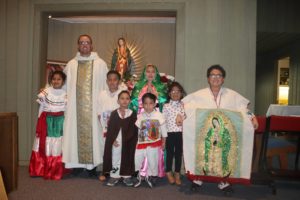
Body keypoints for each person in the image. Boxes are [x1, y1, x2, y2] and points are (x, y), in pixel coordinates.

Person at [182, 64, 258, 192]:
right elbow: (187, 108)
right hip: (205, 136)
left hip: (224, 135)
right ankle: (199, 177)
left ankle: (223, 180)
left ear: (223, 79)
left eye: (219, 75)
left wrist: (252, 118)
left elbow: (243, 109)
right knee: (204, 156)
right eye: (212, 75)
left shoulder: (232, 95)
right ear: (208, 78)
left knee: (223, 157)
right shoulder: (199, 95)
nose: (215, 78)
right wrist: (180, 116)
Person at [62, 34, 108, 176]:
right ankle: (76, 165)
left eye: (87, 42)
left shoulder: (100, 64)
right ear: (78, 45)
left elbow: (106, 85)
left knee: (94, 134)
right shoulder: (71, 64)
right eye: (82, 42)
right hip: (75, 109)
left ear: (91, 45)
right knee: (73, 134)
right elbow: (63, 86)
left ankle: (92, 166)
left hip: (94, 108)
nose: (84, 45)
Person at [29, 71, 67, 180]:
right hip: (47, 120)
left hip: (59, 121)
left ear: (63, 81)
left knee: (57, 144)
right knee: (44, 143)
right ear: (51, 80)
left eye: (59, 79)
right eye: (54, 79)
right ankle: (41, 169)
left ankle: (55, 169)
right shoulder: (46, 92)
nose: (56, 81)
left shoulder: (65, 94)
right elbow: (41, 107)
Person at [102, 90, 138, 187]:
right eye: (122, 98)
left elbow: (134, 130)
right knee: (115, 158)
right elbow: (110, 129)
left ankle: (126, 176)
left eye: (127, 98)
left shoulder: (133, 114)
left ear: (130, 101)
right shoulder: (114, 114)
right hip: (116, 142)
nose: (124, 101)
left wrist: (131, 141)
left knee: (127, 158)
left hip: (128, 142)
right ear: (118, 101)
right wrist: (112, 140)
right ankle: (114, 176)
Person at [134, 93, 168, 188]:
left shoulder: (159, 115)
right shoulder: (141, 115)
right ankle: (137, 174)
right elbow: (138, 129)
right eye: (145, 103)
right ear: (142, 104)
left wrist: (163, 142)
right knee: (137, 158)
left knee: (153, 160)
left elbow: (164, 130)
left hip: (153, 143)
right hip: (141, 142)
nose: (148, 106)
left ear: (154, 104)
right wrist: (137, 142)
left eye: (150, 103)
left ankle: (153, 176)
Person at [97, 70, 125, 181]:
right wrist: (104, 127)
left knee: (119, 149)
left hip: (120, 127)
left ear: (119, 81)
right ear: (107, 81)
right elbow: (99, 112)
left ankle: (120, 171)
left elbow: (126, 108)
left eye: (115, 79)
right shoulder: (102, 94)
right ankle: (106, 171)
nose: (112, 82)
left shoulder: (123, 92)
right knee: (107, 150)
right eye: (110, 80)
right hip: (106, 126)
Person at [162, 81, 186, 185]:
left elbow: (187, 116)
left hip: (180, 133)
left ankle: (177, 173)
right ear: (169, 93)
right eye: (173, 91)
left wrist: (182, 117)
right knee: (170, 154)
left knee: (178, 154)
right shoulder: (166, 106)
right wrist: (163, 137)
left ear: (181, 93)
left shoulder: (184, 105)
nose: (175, 93)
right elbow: (163, 122)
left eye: (178, 91)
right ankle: (168, 172)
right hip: (169, 133)